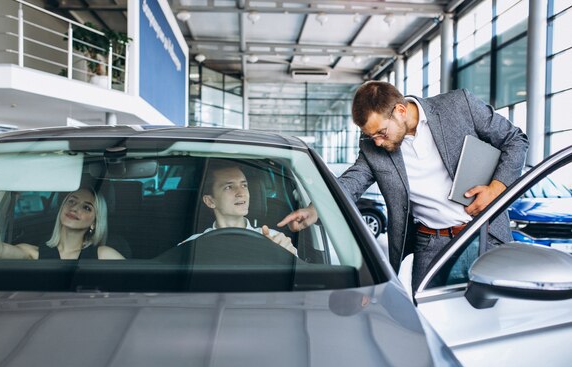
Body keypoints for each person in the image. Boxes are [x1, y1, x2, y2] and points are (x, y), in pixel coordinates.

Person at [279, 81, 529, 293]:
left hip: (484, 235)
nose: (376, 141)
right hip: (430, 246)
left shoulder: (458, 105)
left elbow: (515, 140)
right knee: (431, 326)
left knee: (492, 322)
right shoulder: (372, 144)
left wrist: (497, 188)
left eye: (381, 132)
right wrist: (315, 209)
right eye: (371, 135)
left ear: (400, 110)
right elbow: (353, 181)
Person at [0, 165, 124, 260]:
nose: (74, 208)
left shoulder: (104, 255)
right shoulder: (34, 254)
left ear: (95, 222)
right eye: (71, 201)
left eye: (86, 207)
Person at [181, 161, 297, 255]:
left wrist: (288, 255)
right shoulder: (192, 246)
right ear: (210, 201)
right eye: (229, 187)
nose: (241, 193)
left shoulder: (274, 240)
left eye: (244, 185)